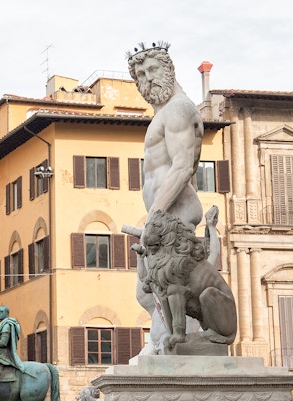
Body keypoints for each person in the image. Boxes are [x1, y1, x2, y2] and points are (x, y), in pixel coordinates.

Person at [123, 42, 205, 354]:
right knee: (148, 289)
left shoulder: (178, 109)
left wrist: (154, 217)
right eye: (140, 74)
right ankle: (163, 340)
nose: (148, 78)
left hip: (172, 214)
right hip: (163, 216)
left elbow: (183, 165)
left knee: (168, 282)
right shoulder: (166, 113)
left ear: (169, 69)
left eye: (153, 69)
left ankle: (175, 342)